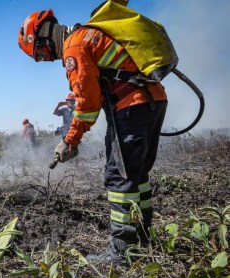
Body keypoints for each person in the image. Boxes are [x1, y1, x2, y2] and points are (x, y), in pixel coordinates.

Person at [17, 1, 168, 264]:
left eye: (40, 53)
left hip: (131, 106)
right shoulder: (89, 35)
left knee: (119, 178)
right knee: (137, 176)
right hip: (152, 100)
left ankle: (123, 252)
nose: (46, 59)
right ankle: (143, 239)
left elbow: (87, 103)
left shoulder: (74, 46)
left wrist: (69, 140)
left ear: (43, 35)